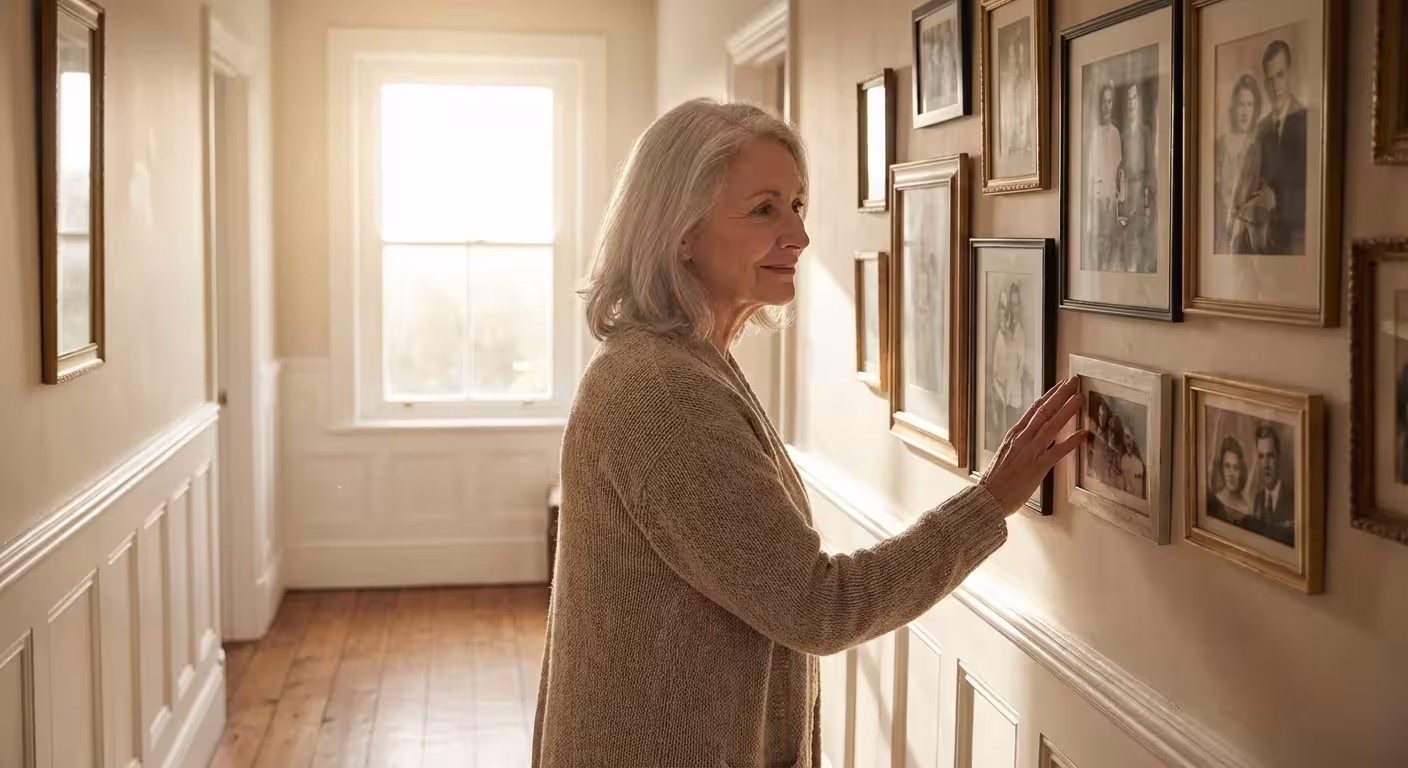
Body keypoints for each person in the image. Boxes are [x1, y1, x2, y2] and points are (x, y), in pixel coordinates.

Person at [531, 99, 1088, 768]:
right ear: (680, 231)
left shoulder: (689, 362)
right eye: (765, 208)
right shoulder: (662, 389)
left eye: (797, 204)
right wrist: (991, 500)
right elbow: (820, 607)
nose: (798, 234)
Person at [1248, 39, 1307, 255]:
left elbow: (1314, 190)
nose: (1275, 86)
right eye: (1269, 79)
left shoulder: (1308, 121)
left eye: (1280, 75)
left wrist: (1276, 199)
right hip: (1266, 241)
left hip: (1300, 240)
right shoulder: (1261, 128)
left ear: (1290, 73)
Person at [1218, 74, 1269, 254]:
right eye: (1241, 104)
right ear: (1234, 106)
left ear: (1256, 108)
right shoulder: (1220, 145)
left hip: (1243, 235)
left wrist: (1241, 219)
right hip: (1217, 229)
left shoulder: (1257, 148)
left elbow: (1260, 194)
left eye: (1250, 104)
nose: (1245, 111)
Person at [1117, 82, 1156, 273]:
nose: (1131, 104)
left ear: (1138, 102)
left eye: (1134, 99)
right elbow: (1120, 170)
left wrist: (1148, 202)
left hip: (1142, 195)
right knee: (1126, 242)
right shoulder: (1123, 135)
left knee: (1141, 242)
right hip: (1127, 195)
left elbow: (1150, 169)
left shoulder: (1145, 132)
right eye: (1128, 100)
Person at [1088, 82, 1124, 270]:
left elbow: (1117, 169)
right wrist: (1099, 195)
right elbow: (1093, 170)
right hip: (1098, 196)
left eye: (1109, 102)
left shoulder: (1116, 134)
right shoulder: (1095, 135)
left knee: (1112, 239)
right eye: (1103, 102)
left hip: (1112, 196)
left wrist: (1113, 195)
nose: (1106, 107)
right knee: (1099, 239)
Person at [1252, 425, 1295, 547]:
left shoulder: (1293, 500)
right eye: (1261, 457)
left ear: (1279, 458)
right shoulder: (1257, 499)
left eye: (1270, 456)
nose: (1265, 465)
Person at [1207, 435, 1250, 526]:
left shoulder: (1246, 509)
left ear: (1241, 471)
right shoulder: (1215, 501)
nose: (1231, 474)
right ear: (1221, 469)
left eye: (1235, 468)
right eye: (1227, 466)